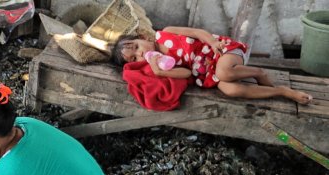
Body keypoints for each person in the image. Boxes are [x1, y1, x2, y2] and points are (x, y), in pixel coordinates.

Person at [111, 26, 313, 105]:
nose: (141, 53)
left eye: (137, 46)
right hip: (208, 74)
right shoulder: (160, 64)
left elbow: (197, 33)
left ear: (142, 37)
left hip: (221, 51)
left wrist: (214, 43)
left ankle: (259, 72)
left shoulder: (166, 33)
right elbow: (187, 72)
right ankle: (281, 91)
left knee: (224, 72)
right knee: (230, 89)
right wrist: (160, 70)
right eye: (135, 58)